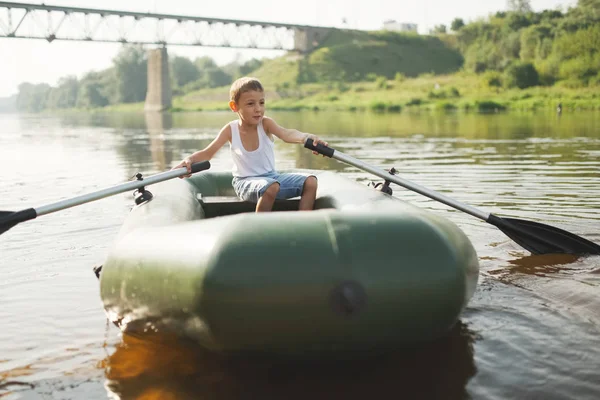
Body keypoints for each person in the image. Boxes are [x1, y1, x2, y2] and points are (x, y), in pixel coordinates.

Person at [172, 77, 329, 212]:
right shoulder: (230, 129)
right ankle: (260, 230)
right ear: (234, 106)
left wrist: (306, 137)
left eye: (261, 103)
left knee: (310, 181)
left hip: (272, 178)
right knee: (271, 187)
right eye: (250, 104)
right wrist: (189, 160)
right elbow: (208, 153)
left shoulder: (266, 123)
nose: (258, 109)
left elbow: (287, 134)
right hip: (245, 182)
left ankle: (304, 223)